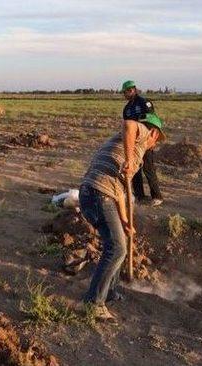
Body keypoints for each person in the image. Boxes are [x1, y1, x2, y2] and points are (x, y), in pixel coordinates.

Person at [80, 110, 166, 320]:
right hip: (98, 195)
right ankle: (94, 303)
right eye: (158, 140)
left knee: (120, 244)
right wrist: (129, 159)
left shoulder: (129, 149)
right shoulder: (140, 135)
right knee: (117, 247)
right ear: (154, 133)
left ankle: (109, 291)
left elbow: (119, 192)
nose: (154, 145)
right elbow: (129, 123)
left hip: (94, 194)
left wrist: (126, 221)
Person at [121, 80, 164, 207]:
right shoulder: (127, 109)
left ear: (132, 90)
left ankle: (157, 196)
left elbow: (153, 122)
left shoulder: (145, 103)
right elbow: (126, 128)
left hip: (145, 141)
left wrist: (153, 139)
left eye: (126, 92)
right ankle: (140, 196)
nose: (125, 95)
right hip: (133, 143)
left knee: (148, 168)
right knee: (135, 169)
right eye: (124, 92)